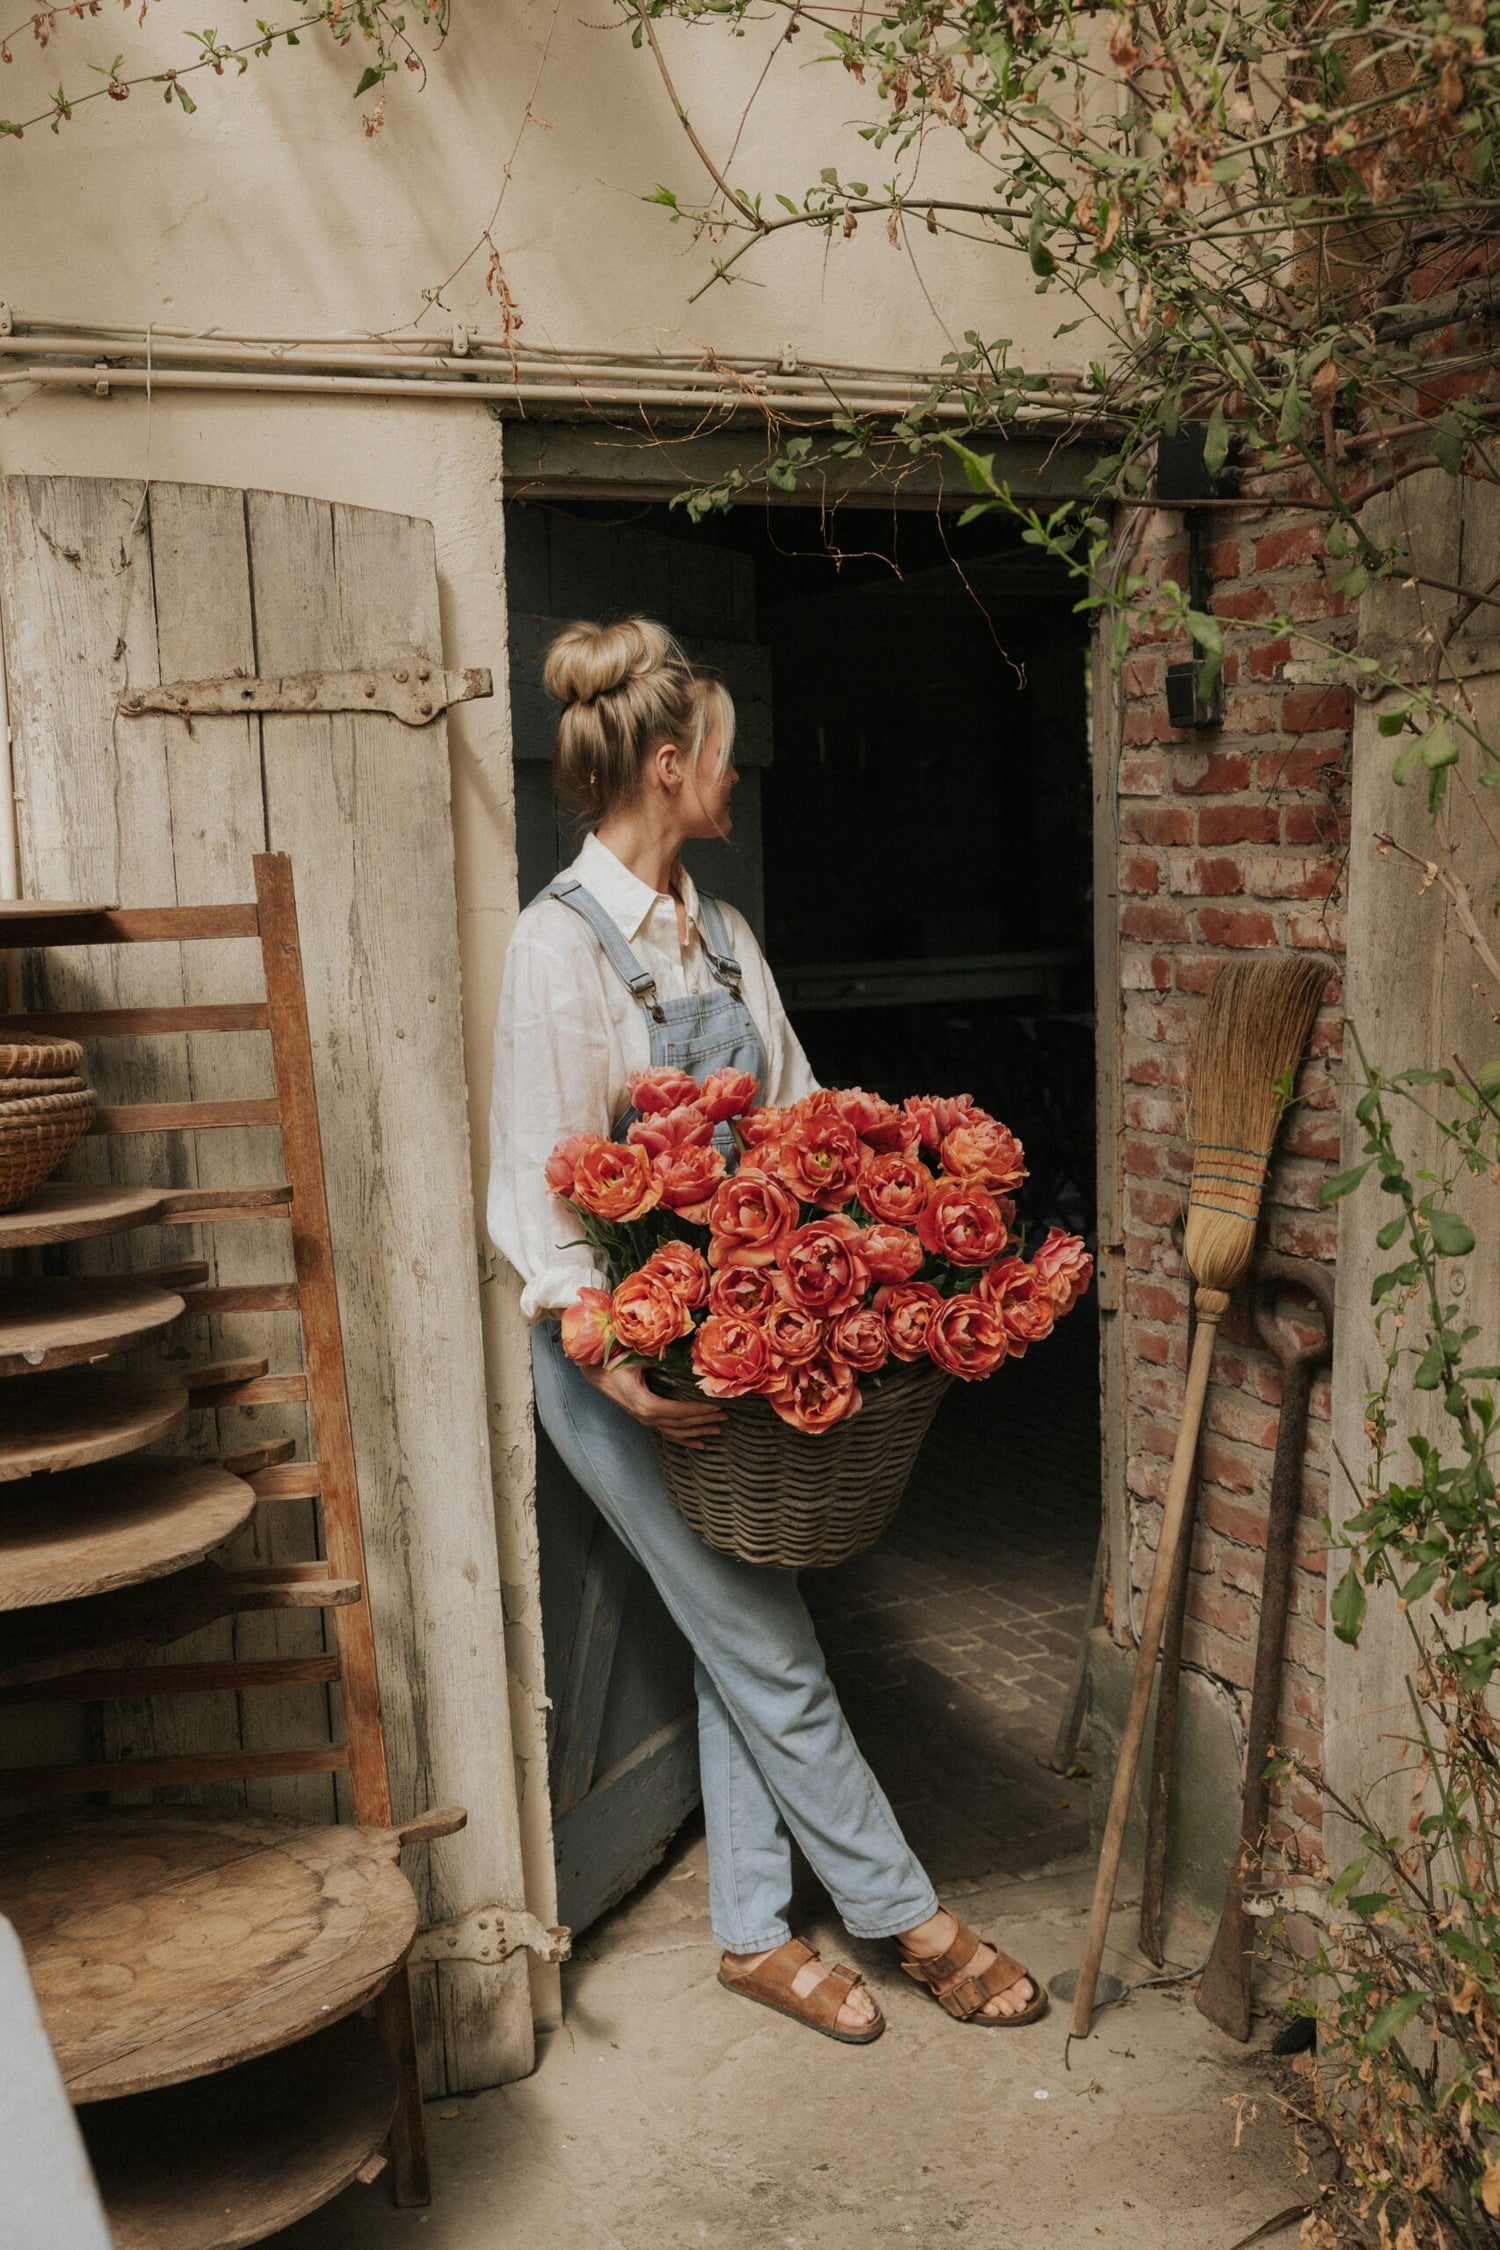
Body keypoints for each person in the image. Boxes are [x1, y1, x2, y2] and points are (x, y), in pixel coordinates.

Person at [488, 615, 1046, 2041]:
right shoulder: (555, 950)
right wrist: (615, 1366)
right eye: (727, 758)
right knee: (770, 1635)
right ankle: (905, 1913)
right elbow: (535, 1183)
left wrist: (870, 1267)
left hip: (733, 1350)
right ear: (669, 766)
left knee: (745, 1626)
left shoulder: (724, 942)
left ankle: (750, 1931)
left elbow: (802, 1122)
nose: (744, 780)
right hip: (617, 1367)